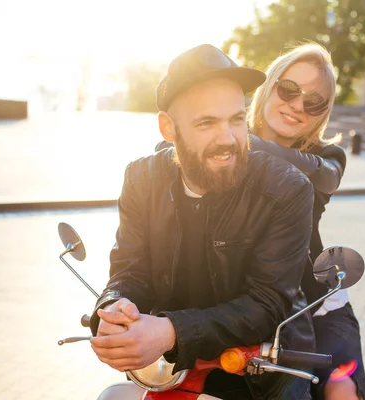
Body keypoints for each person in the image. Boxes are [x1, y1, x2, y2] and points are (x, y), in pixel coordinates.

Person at [88, 44, 317, 399]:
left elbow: (268, 303)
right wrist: (114, 308)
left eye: (236, 120)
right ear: (169, 127)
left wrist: (171, 331)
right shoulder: (140, 180)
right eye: (207, 123)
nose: (227, 139)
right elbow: (130, 271)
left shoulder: (287, 189)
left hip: (266, 367)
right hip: (172, 366)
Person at [247, 43, 365, 400]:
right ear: (270, 84)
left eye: (314, 102)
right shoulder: (226, 141)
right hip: (246, 298)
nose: (298, 106)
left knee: (340, 388)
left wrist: (237, 142)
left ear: (322, 113)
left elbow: (325, 176)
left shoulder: (326, 157)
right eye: (288, 90)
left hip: (317, 304)